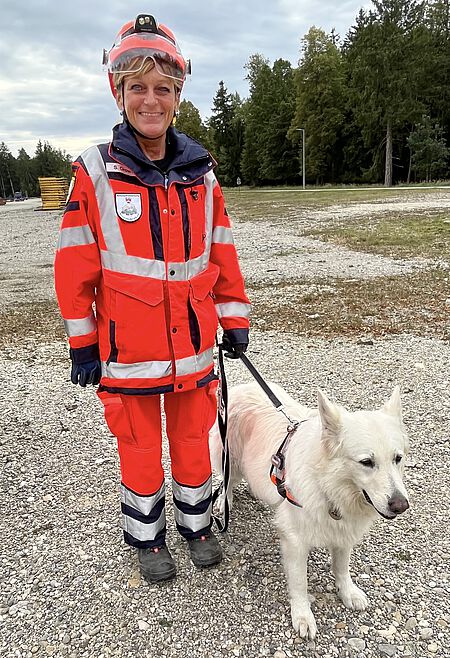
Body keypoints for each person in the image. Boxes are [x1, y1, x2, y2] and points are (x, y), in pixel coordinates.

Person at [54, 14, 250, 583]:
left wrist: (233, 320)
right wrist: (83, 345)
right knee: (140, 451)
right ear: (118, 93)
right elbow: (74, 268)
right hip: (126, 353)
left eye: (162, 88)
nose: (150, 99)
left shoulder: (201, 171)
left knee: (193, 441)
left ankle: (197, 526)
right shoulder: (93, 171)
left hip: (192, 349)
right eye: (137, 87)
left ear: (178, 97)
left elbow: (222, 252)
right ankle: (146, 538)